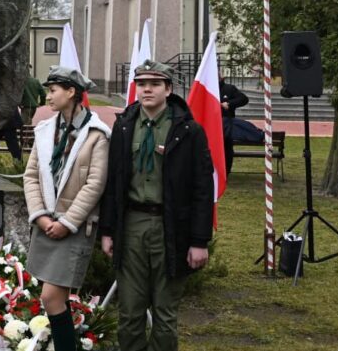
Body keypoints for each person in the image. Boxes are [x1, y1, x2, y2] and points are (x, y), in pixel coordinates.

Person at [100, 59, 213, 351]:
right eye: (141, 84)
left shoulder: (188, 131)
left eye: (154, 84)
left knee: (164, 312)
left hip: (170, 227)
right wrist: (108, 230)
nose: (147, 90)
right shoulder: (125, 126)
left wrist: (199, 241)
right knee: (130, 310)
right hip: (133, 224)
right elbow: (113, 182)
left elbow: (202, 188)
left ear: (168, 89)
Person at [22, 66, 110, 351]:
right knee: (52, 298)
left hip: (73, 227)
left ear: (71, 92)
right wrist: (41, 216)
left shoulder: (97, 134)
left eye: (53, 90)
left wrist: (66, 222)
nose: (48, 96)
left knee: (51, 297)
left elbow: (95, 185)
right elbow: (31, 176)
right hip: (46, 223)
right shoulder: (46, 130)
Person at [218, 76, 249, 175]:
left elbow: (243, 99)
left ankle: (225, 173)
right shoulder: (206, 88)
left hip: (226, 126)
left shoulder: (229, 88)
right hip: (210, 125)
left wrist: (229, 103)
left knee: (227, 149)